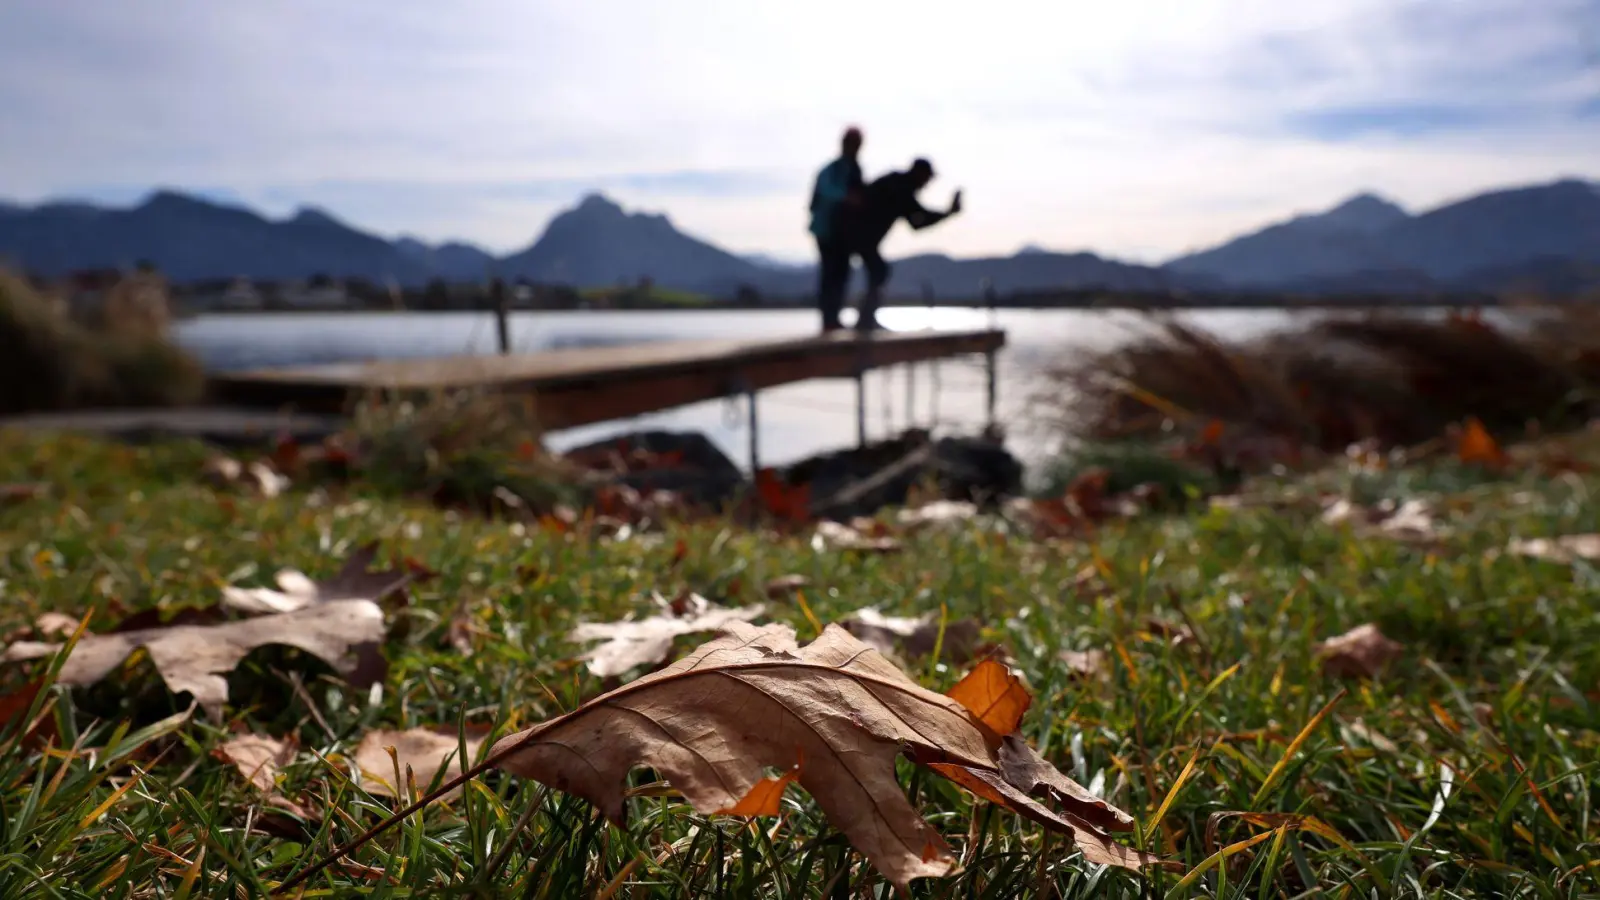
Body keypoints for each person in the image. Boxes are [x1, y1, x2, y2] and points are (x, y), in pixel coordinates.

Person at [836, 158, 961, 332]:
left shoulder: (901, 186)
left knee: (877, 271)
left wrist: (947, 214)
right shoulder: (900, 187)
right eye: (927, 178)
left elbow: (917, 221)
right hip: (852, 233)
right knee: (875, 271)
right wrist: (947, 214)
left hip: (857, 234)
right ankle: (863, 321)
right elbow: (918, 219)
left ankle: (864, 320)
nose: (927, 184)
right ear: (919, 174)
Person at [808, 126, 866, 333]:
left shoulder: (854, 169)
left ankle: (833, 319)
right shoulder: (832, 169)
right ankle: (828, 321)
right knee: (830, 275)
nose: (855, 148)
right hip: (827, 231)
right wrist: (847, 197)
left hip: (844, 234)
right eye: (852, 143)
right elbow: (825, 190)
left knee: (841, 274)